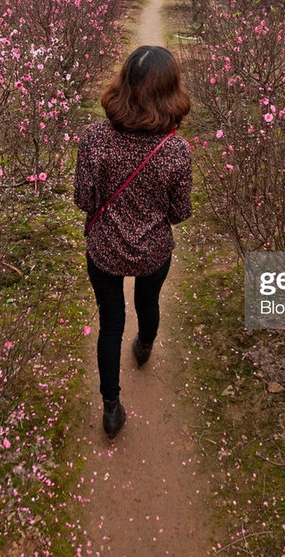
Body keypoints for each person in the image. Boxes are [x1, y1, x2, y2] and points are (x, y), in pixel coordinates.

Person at [74, 45, 193, 439]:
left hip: (104, 250)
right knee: (148, 303)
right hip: (153, 252)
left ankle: (111, 408)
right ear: (170, 92)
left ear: (123, 83)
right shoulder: (176, 150)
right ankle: (144, 345)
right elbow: (179, 213)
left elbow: (84, 201)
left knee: (110, 323)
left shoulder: (94, 138)